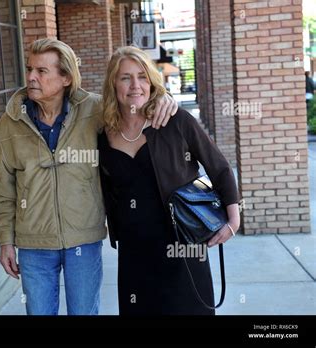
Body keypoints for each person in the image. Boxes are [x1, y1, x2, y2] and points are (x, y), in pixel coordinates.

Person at [0, 38, 178, 315]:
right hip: (33, 244)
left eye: (41, 71)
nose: (31, 77)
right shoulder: (11, 121)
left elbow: (134, 102)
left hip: (84, 240)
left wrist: (163, 97)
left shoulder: (94, 110)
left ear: (66, 77)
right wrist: (6, 240)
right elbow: (4, 189)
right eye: (30, 69)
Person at [98, 46, 240, 315]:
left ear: (151, 81)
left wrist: (233, 220)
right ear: (113, 84)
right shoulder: (103, 134)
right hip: (134, 252)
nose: (135, 85)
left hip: (182, 246)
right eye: (125, 77)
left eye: (142, 76)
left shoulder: (176, 121)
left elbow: (219, 167)